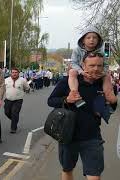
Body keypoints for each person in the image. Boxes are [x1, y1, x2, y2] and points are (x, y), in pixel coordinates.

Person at [48, 52, 117, 180]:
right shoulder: (68, 81)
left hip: (92, 137)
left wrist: (113, 102)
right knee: (67, 170)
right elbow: (51, 100)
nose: (96, 69)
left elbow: (109, 109)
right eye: (92, 65)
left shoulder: (103, 83)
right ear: (83, 65)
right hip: (68, 136)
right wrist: (66, 99)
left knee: (94, 176)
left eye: (99, 65)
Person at [69, 27, 114, 107]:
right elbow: (73, 63)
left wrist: (103, 72)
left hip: (97, 72)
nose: (92, 40)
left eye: (94, 37)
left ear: (98, 40)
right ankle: (75, 94)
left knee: (107, 75)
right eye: (88, 37)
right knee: (72, 72)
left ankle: (108, 95)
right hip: (81, 71)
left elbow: (106, 65)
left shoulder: (102, 52)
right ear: (83, 40)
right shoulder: (77, 50)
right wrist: (81, 71)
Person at [4, 67, 30, 133]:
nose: (14, 74)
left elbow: (27, 88)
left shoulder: (23, 80)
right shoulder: (6, 80)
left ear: (18, 73)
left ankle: (13, 128)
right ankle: (15, 120)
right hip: (8, 100)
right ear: (11, 73)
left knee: (14, 113)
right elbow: (2, 89)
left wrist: (27, 90)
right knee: (7, 113)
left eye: (16, 72)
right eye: (13, 72)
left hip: (18, 100)